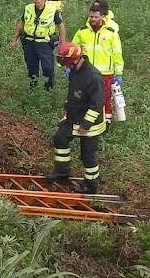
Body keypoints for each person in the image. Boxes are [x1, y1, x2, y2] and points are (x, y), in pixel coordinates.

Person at [45, 42, 106, 194]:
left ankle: (91, 185)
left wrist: (87, 123)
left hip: (90, 123)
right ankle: (62, 172)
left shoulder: (93, 76)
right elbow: (74, 93)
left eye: (67, 63)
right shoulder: (74, 71)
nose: (66, 67)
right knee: (60, 138)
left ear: (76, 59)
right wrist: (67, 108)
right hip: (74, 117)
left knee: (87, 155)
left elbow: (97, 103)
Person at [72, 4, 123, 123]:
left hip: (105, 73)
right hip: (86, 73)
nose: (93, 19)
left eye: (96, 17)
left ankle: (106, 121)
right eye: (91, 16)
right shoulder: (82, 32)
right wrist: (69, 66)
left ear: (103, 17)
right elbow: (73, 49)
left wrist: (119, 73)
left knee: (105, 99)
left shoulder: (111, 33)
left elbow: (117, 53)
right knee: (85, 97)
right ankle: (86, 120)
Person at [11, 0, 66, 90]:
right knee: (32, 68)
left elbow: (61, 27)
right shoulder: (28, 8)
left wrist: (62, 44)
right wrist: (15, 39)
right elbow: (21, 23)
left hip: (44, 43)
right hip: (29, 42)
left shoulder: (53, 11)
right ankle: (33, 89)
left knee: (48, 68)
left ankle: (49, 89)